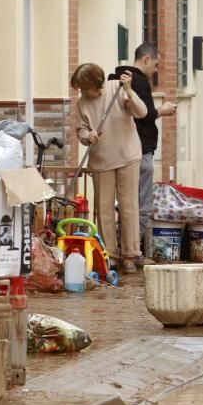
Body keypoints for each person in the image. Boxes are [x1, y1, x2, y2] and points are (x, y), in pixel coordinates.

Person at [72, 63, 148, 274]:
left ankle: (131, 254)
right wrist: (88, 136)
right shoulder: (81, 104)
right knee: (104, 208)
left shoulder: (117, 88)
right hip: (101, 160)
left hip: (127, 155)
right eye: (80, 88)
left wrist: (129, 91)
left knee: (128, 205)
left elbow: (141, 112)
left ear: (96, 82)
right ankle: (110, 255)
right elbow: (81, 131)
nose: (83, 92)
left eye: (85, 87)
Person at [111, 43, 177, 261]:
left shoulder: (116, 79)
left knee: (127, 203)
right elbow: (144, 114)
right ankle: (132, 252)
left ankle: (121, 249)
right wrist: (162, 111)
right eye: (156, 64)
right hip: (141, 150)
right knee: (142, 204)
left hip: (121, 151)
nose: (157, 70)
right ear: (146, 59)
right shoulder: (139, 82)